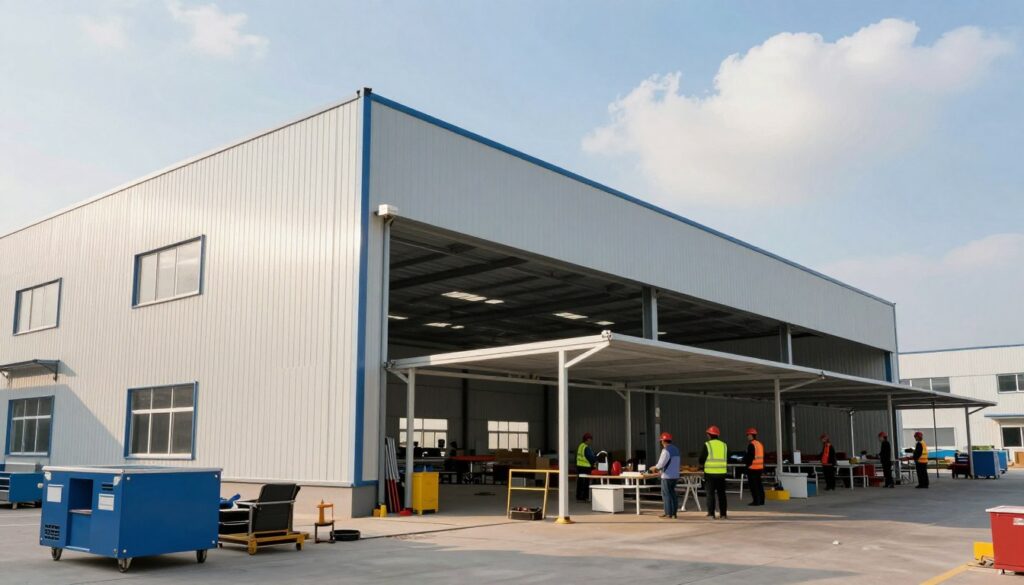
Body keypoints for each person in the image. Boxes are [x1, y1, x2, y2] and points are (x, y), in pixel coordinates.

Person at [700, 425, 728, 519]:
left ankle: (711, 514)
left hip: (710, 474)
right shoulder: (724, 445)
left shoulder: (707, 444)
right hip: (722, 474)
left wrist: (702, 465)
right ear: (718, 435)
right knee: (722, 494)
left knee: (710, 494)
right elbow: (728, 457)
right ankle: (723, 514)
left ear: (709, 435)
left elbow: (702, 459)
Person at [649, 432, 680, 519]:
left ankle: (668, 513)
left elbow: (660, 464)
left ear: (662, 441)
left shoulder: (665, 450)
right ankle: (674, 514)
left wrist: (653, 468)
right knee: (673, 494)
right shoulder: (676, 449)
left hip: (667, 476)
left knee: (666, 495)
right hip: (675, 476)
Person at [744, 427, 765, 506]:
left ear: (751, 435)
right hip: (759, 468)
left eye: (747, 435)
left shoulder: (751, 445)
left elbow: (749, 457)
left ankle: (756, 501)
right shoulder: (759, 444)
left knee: (753, 486)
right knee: (759, 485)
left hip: (752, 468)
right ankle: (762, 500)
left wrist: (746, 464)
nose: (747, 437)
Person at [575, 432, 597, 502]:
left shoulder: (580, 446)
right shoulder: (586, 448)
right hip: (585, 467)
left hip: (579, 466)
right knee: (586, 482)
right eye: (590, 440)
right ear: (587, 439)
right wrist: (595, 460)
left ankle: (579, 496)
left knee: (580, 482)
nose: (591, 442)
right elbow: (591, 458)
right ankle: (585, 497)